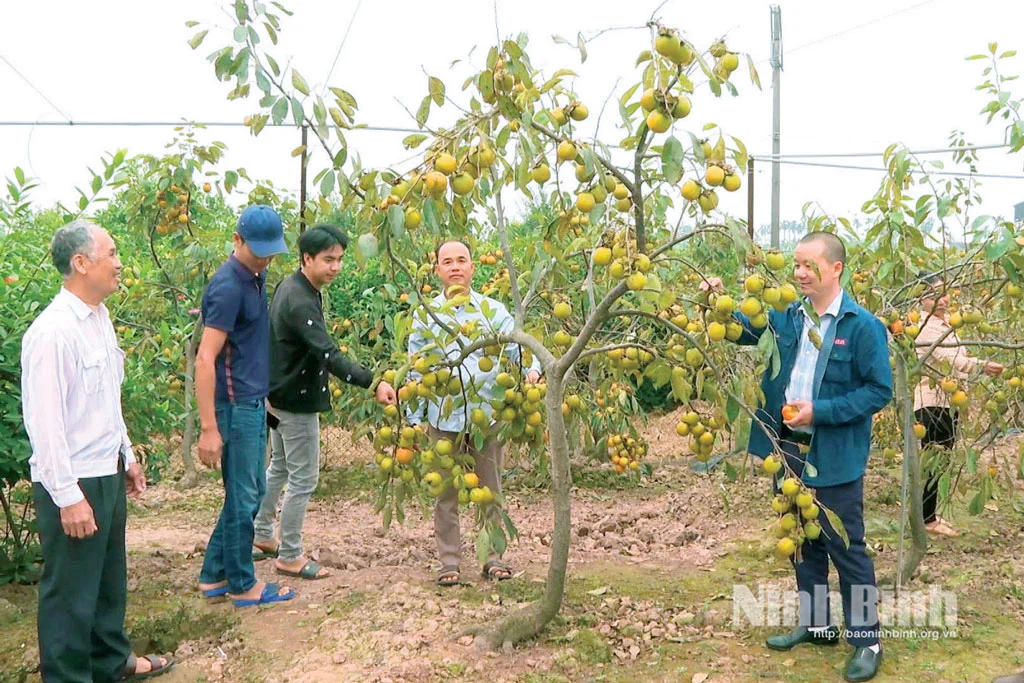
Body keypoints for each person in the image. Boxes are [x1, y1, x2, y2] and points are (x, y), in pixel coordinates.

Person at [704, 232, 892, 682]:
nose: (800, 273)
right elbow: (742, 328)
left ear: (836, 269)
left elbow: (878, 389)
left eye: (809, 265)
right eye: (796, 265)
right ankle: (817, 624)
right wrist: (717, 300)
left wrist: (820, 411)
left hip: (833, 452)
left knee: (846, 549)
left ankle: (867, 640)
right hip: (786, 449)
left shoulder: (861, 326)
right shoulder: (787, 318)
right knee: (802, 542)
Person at [22, 220, 173, 682]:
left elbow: (106, 397)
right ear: (80, 263)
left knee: (108, 583)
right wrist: (68, 496)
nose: (119, 262)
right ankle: (68, 677)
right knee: (70, 593)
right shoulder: (52, 333)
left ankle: (111, 664)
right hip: (73, 480)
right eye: (110, 253)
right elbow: (45, 425)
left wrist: (125, 453)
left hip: (104, 471)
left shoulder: (100, 320)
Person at [253, 224, 397, 580]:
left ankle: (259, 534)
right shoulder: (300, 299)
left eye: (340, 260)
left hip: (278, 395)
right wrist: (372, 382)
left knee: (281, 468)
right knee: (303, 479)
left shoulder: (294, 286)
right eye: (328, 260)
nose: (335, 267)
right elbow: (328, 355)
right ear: (307, 259)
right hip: (294, 402)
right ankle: (289, 554)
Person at [406, 240, 541, 586]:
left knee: (490, 489)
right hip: (442, 415)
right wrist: (414, 418)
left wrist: (531, 369)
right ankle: (449, 562)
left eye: (461, 260)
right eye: (446, 261)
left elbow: (519, 346)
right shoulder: (427, 314)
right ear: (437, 270)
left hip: (487, 414)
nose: (454, 267)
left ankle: (493, 557)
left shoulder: (492, 311)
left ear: (472, 267)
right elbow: (415, 371)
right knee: (445, 494)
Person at [195, 205, 297, 608]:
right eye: (259, 251)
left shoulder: (255, 276)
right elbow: (206, 359)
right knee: (244, 498)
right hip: (235, 408)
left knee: (247, 493)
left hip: (252, 402)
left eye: (272, 251)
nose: (267, 259)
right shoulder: (228, 286)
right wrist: (208, 427)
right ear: (236, 241)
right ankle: (242, 583)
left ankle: (213, 576)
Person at [912, 273, 1003, 537]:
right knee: (935, 461)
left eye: (944, 293)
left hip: (947, 403)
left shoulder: (945, 325)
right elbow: (949, 360)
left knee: (939, 461)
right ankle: (927, 520)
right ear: (921, 300)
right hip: (932, 405)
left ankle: (928, 516)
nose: (941, 300)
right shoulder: (924, 326)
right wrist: (981, 366)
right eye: (932, 296)